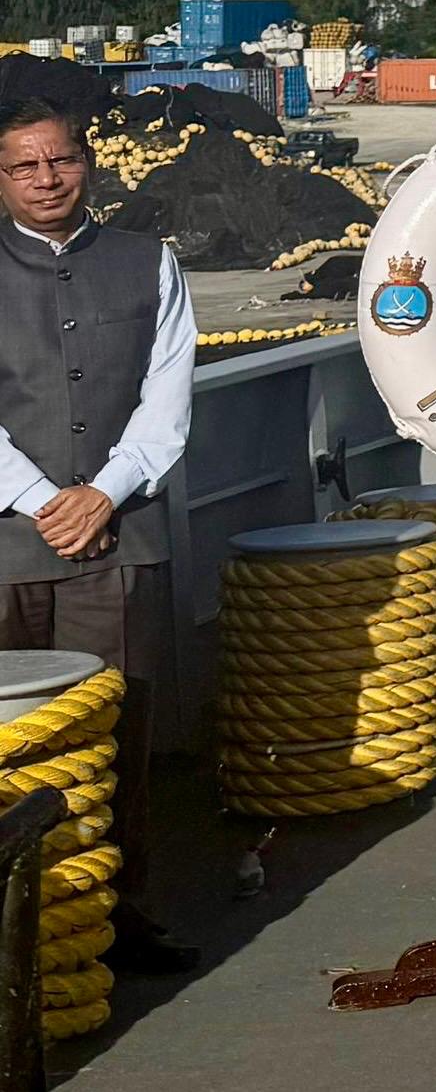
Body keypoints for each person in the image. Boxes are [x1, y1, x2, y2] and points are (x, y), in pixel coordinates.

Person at [0, 99, 196, 974]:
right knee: (8, 744)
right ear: (1, 177)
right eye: (24, 166)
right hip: (6, 541)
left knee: (119, 733)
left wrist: (104, 493)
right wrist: (48, 499)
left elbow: (168, 397)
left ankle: (123, 918)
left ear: (89, 163)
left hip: (121, 541)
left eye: (61, 161)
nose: (46, 179)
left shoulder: (149, 261)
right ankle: (19, 935)